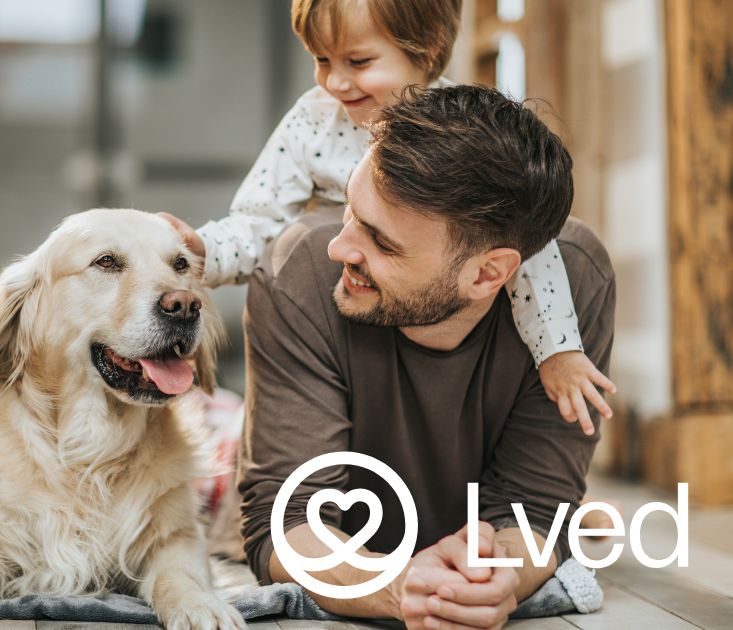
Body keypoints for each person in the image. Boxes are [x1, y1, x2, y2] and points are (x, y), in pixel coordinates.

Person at [237, 85, 615, 629]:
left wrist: (496, 580)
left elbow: (535, 508)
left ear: (488, 273)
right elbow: (286, 519)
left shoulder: (574, 285)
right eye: (350, 210)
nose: (340, 248)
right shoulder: (298, 273)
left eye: (382, 242)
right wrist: (398, 587)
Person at [159, 0, 616, 432]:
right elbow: (259, 218)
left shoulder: (463, 133)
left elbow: (526, 247)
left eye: (358, 62)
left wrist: (557, 349)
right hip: (349, 328)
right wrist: (206, 250)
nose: (335, 82)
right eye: (322, 60)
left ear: (426, 50)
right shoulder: (313, 121)